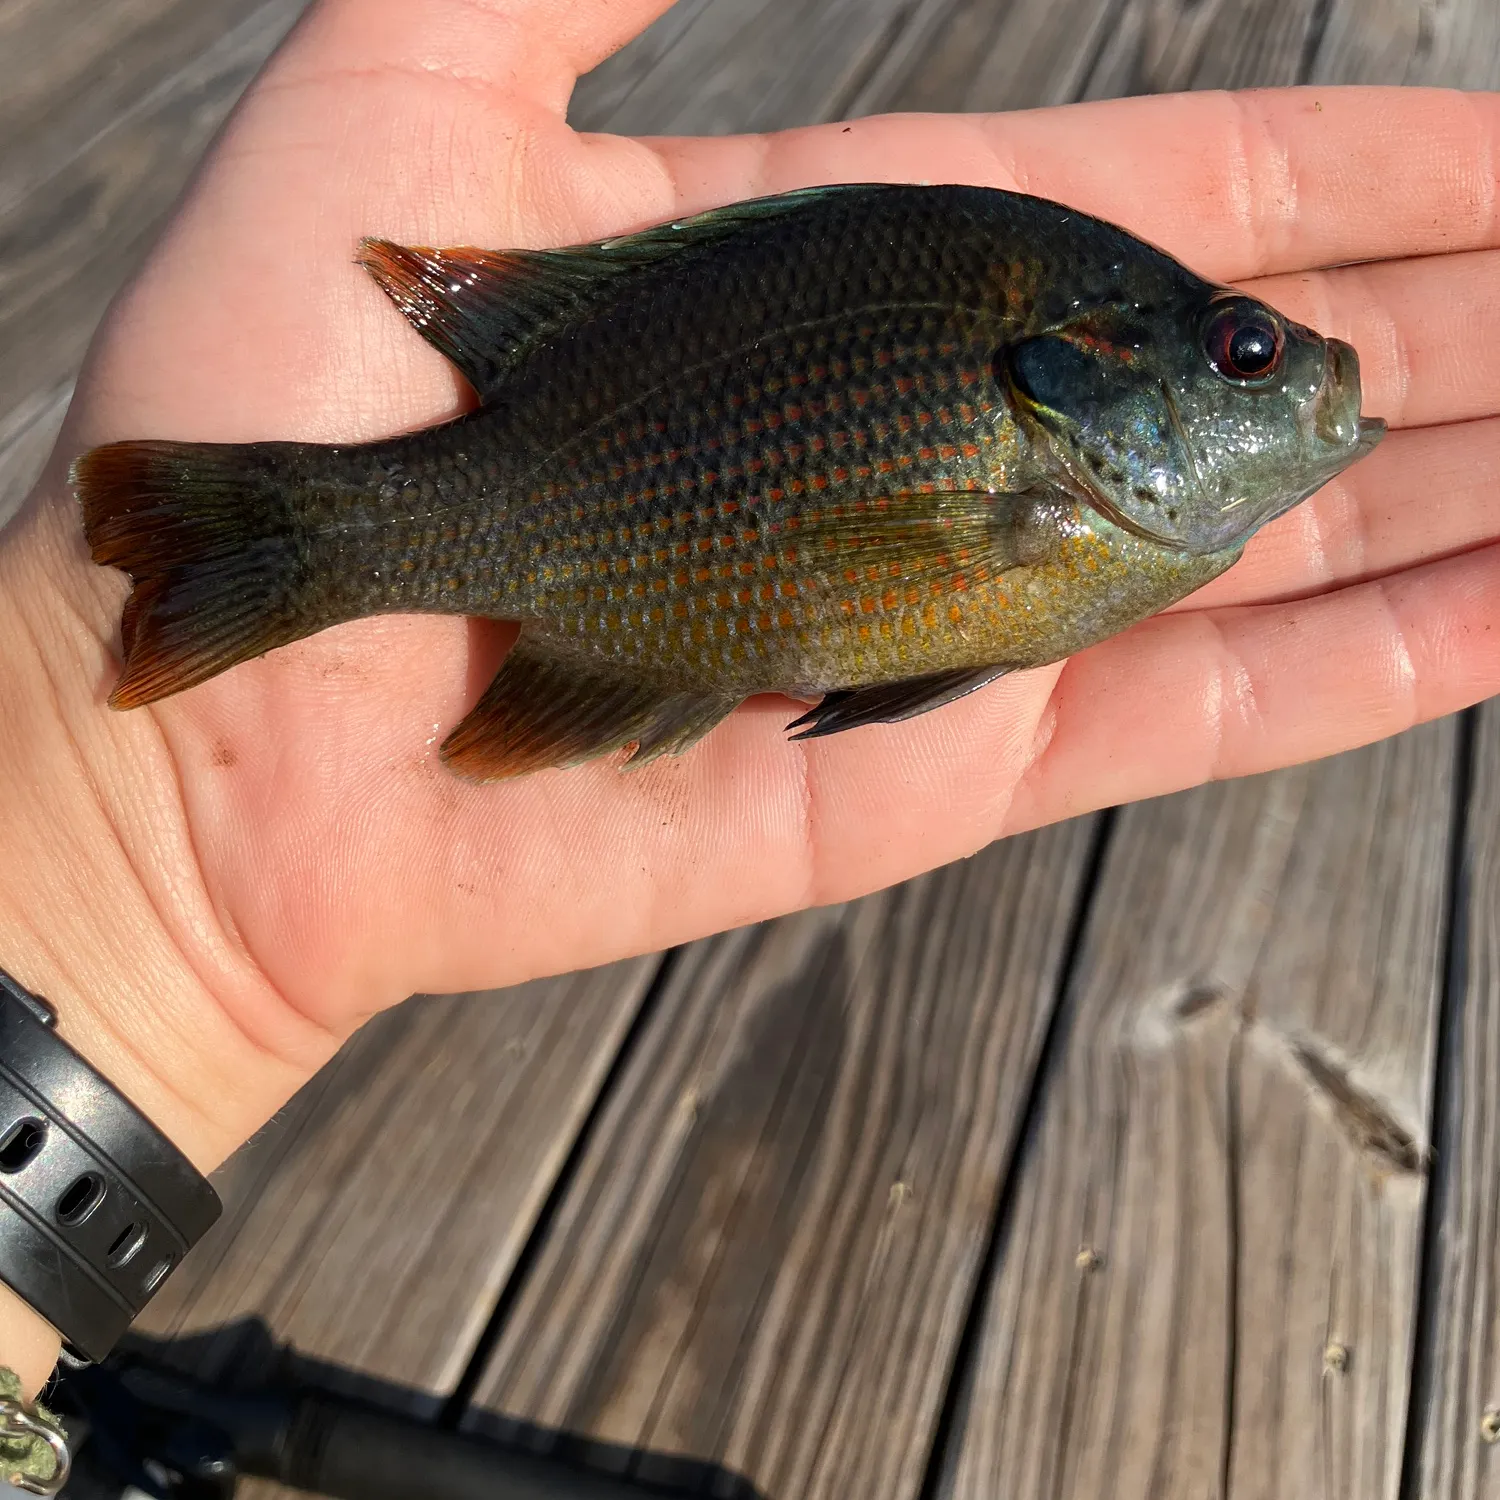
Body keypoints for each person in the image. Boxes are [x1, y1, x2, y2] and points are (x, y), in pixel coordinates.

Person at [0, 0, 1495, 1393]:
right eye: (1244, 351)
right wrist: (138, 873)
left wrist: (143, 905)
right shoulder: (1059, 446)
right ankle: (289, 546)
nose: (1299, 375)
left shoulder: (1085, 470)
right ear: (1087, 370)